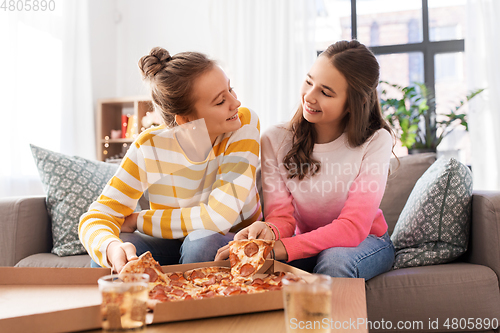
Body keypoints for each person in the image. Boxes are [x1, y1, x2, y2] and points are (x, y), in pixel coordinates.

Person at [216, 40, 395, 280]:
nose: (309, 97)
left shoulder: (376, 141)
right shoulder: (275, 139)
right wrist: (268, 231)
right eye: (309, 82)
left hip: (367, 241)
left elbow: (353, 227)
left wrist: (279, 249)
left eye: (325, 92)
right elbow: (282, 217)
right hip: (302, 240)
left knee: (334, 260)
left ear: (354, 103)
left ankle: (331, 320)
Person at [79, 47, 262, 273]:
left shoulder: (243, 124)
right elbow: (96, 217)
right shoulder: (149, 147)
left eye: (231, 89)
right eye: (220, 101)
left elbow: (219, 218)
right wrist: (111, 247)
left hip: (230, 238)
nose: (236, 102)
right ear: (186, 120)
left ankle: (188, 306)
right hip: (173, 242)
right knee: (108, 256)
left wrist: (139, 220)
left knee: (201, 242)